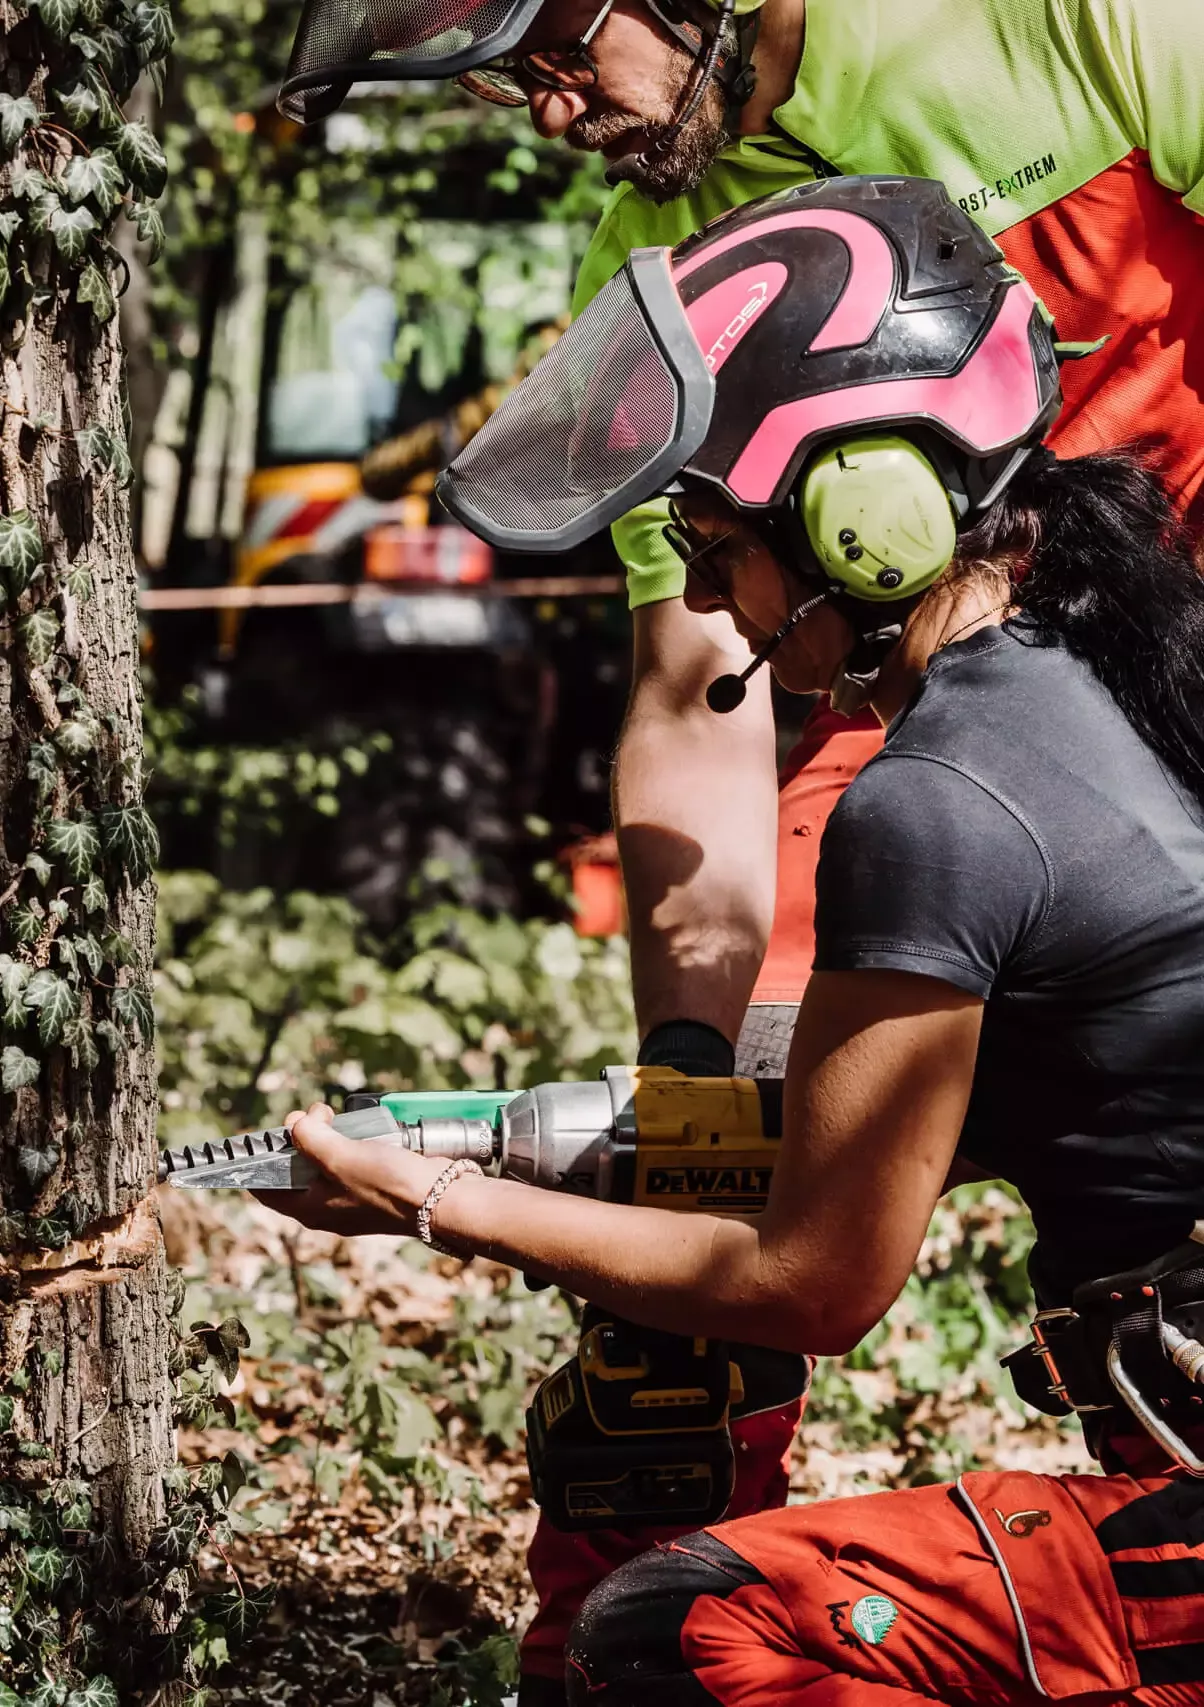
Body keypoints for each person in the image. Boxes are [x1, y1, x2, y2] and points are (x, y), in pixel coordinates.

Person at [278, 1, 1204, 1687]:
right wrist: (696, 1068)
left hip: (1137, 648)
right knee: (700, 1151)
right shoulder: (660, 269)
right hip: (915, 704)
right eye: (510, 80)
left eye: (560, 41)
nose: (551, 106)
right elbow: (702, 681)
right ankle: (623, 1639)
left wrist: (439, 1204)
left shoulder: (1068, 23)